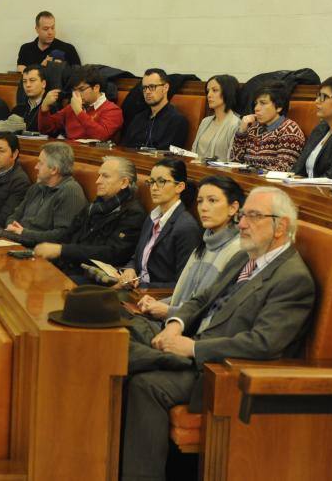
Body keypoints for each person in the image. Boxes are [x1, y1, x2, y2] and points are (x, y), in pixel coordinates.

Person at [121, 187, 316, 481]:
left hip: (219, 371)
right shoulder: (244, 258)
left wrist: (192, 348)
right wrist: (175, 324)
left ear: (281, 226)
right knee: (120, 343)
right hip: (189, 344)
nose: (242, 224)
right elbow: (199, 300)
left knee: (144, 383)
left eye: (253, 216)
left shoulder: (293, 278)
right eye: (243, 215)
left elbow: (263, 344)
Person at [124, 175, 244, 324]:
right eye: (200, 201)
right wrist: (159, 304)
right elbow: (185, 296)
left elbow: (214, 310)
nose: (203, 208)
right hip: (174, 321)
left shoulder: (238, 251)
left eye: (212, 201)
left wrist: (168, 311)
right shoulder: (205, 242)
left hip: (189, 333)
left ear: (233, 208)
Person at [33, 156, 146, 284]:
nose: (98, 181)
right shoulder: (96, 206)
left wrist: (61, 250)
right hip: (71, 266)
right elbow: (67, 234)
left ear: (124, 183)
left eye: (105, 176)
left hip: (93, 276)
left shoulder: (133, 214)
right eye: (99, 175)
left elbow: (113, 254)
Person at [117, 158, 201, 289]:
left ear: (180, 187)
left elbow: (182, 285)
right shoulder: (152, 217)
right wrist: (130, 269)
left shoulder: (187, 227)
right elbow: (137, 257)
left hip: (155, 297)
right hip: (136, 289)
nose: (154, 188)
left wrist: (142, 287)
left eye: (161, 182)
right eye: (151, 182)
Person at [4, 142, 88, 247]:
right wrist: (12, 226)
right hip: (18, 241)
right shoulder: (37, 187)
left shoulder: (70, 191)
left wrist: (23, 233)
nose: (36, 167)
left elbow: (62, 236)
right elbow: (15, 215)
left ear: (54, 169)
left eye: (40, 163)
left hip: (41, 252)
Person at [230, 81, 305, 171]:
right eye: (256, 103)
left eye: (263, 103)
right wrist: (242, 131)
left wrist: (252, 171)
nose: (256, 108)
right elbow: (234, 161)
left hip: (270, 184)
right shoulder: (253, 128)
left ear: (279, 107)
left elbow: (283, 169)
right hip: (248, 180)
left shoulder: (290, 130)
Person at [37, 65, 123, 141]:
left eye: (81, 90)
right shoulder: (71, 108)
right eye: (74, 90)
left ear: (96, 88)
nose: (77, 94)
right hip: (70, 152)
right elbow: (46, 130)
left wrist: (79, 112)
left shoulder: (113, 110)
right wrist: (44, 108)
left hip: (96, 156)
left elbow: (101, 136)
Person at [120, 68, 188, 149]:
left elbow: (167, 155)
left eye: (152, 87)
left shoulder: (177, 120)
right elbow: (124, 147)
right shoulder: (138, 118)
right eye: (144, 88)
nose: (147, 92)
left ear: (165, 88)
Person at [191, 74, 241, 160]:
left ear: (228, 92)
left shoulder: (236, 124)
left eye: (214, 90)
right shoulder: (205, 121)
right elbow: (193, 151)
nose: (209, 95)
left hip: (219, 172)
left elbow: (231, 160)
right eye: (208, 91)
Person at [16, 11, 81, 72]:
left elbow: (78, 76)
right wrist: (42, 67)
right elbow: (21, 75)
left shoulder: (68, 49)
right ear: (37, 29)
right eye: (45, 29)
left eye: (52, 28)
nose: (50, 32)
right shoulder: (25, 49)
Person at [9, 64, 47, 131]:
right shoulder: (17, 110)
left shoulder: (50, 109)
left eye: (32, 80)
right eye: (24, 81)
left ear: (43, 84)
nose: (27, 85)